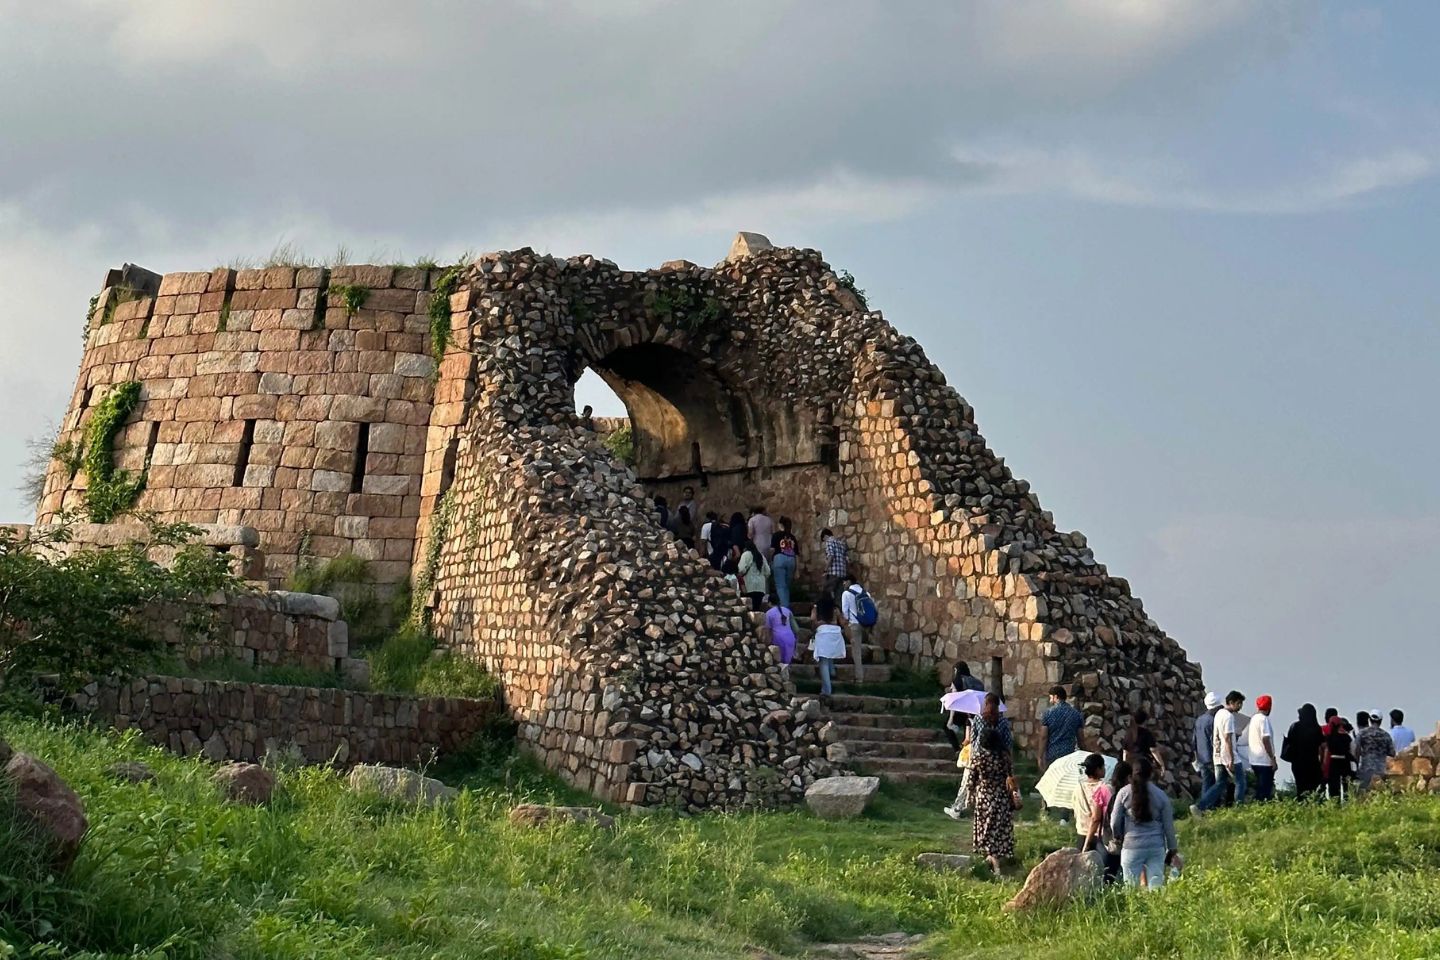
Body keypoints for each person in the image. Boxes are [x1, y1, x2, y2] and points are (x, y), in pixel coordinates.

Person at [1110, 755, 1178, 890]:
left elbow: (1114, 821)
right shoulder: (1161, 795)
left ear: (1132, 774)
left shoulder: (1123, 793)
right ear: (1151, 774)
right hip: (1156, 847)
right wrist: (1172, 848)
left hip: (1131, 847)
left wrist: (1117, 836)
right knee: (1156, 888)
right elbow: (1168, 826)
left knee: (1130, 891)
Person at [966, 692, 1015, 874]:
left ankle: (989, 855)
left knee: (985, 823)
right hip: (1000, 794)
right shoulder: (1002, 724)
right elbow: (1009, 746)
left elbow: (973, 741)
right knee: (999, 824)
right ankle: (998, 854)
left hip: (984, 793)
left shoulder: (979, 720)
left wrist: (970, 794)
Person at [1191, 690, 1246, 816]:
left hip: (1206, 756)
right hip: (1220, 755)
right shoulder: (1221, 717)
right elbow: (1224, 738)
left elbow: (1195, 739)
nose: (1240, 707)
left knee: (1214, 783)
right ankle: (1237, 809)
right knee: (1239, 782)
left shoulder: (1201, 719)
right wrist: (1230, 758)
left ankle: (1202, 807)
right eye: (1239, 703)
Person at [942, 664, 986, 820]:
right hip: (988, 753)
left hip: (975, 754)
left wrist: (961, 747)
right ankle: (978, 808)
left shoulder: (970, 721)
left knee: (967, 782)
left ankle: (957, 808)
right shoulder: (978, 684)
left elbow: (968, 739)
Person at [1097, 760, 1132, 885]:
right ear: (1128, 777)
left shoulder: (1114, 795)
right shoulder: (1124, 796)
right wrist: (1118, 836)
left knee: (1110, 873)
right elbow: (1115, 821)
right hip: (1120, 840)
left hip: (1109, 840)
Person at [1038, 685, 1084, 774]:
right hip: (1069, 753)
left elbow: (1044, 737)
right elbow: (1081, 739)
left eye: (1050, 697)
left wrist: (1040, 756)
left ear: (1056, 697)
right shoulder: (1076, 714)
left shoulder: (1048, 713)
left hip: (1052, 754)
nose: (1050, 700)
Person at [1283, 703, 1325, 800]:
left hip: (1298, 763)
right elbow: (1322, 746)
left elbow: (1290, 741)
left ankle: (1301, 805)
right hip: (1313, 763)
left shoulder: (1295, 726)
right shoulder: (1317, 729)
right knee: (1312, 789)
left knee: (1301, 788)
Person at [1074, 753, 1112, 852]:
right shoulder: (1105, 788)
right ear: (1098, 769)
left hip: (1081, 832)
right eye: (1103, 766)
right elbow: (1097, 818)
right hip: (1099, 835)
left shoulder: (1078, 787)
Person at [808, 598, 845, 697]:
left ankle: (827, 690)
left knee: (823, 661)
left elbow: (812, 619)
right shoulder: (835, 609)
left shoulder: (816, 608)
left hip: (823, 633)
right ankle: (831, 672)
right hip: (835, 633)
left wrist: (815, 626)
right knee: (830, 653)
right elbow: (842, 622)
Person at [839, 576, 871, 685]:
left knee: (856, 652)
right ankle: (859, 675)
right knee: (858, 649)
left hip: (854, 625)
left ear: (849, 581)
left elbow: (845, 613)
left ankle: (859, 678)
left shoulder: (846, 594)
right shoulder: (865, 592)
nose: (843, 584)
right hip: (865, 624)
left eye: (844, 581)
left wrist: (845, 624)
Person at [1353, 710, 1395, 791]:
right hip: (1381, 770)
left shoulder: (1362, 733)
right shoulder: (1386, 735)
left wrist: (1356, 766)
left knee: (1363, 795)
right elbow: (1392, 753)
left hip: (1366, 769)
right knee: (1379, 793)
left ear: (1370, 719)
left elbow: (1356, 750)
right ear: (1381, 721)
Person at [1247, 694, 1277, 801]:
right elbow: (1266, 739)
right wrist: (1272, 758)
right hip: (1264, 760)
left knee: (1259, 786)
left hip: (1254, 759)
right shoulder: (1264, 720)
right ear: (1269, 707)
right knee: (1265, 790)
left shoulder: (1254, 718)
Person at [1123, 710, 1165, 779]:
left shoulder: (1128, 733)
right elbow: (1154, 751)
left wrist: (1125, 765)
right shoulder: (1147, 733)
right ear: (1144, 721)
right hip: (1143, 765)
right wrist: (1162, 765)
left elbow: (1125, 752)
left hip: (1131, 765)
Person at [1195, 692, 1222, 797]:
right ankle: (1205, 807)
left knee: (1206, 784)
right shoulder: (1213, 721)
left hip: (1201, 757)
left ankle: (1205, 808)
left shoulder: (1199, 720)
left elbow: (1194, 740)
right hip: (1211, 757)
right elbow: (1214, 740)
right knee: (1213, 784)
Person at [1322, 712, 1354, 801]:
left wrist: (1324, 765)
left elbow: (1326, 751)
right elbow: (1351, 750)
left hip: (1333, 761)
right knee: (1346, 785)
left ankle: (1335, 803)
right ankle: (1347, 802)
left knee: (1334, 786)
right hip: (1345, 761)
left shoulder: (1329, 737)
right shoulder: (1347, 737)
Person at [736, 539, 771, 611]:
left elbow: (741, 569)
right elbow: (768, 572)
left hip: (749, 586)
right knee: (757, 608)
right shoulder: (761, 556)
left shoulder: (746, 555)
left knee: (750, 609)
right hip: (760, 587)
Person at [764, 595, 797, 671]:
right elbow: (795, 627)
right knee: (787, 663)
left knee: (779, 663)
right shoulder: (787, 611)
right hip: (790, 638)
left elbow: (768, 629)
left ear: (769, 603)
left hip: (778, 639)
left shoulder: (769, 613)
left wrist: (767, 642)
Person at [771, 522, 798, 609]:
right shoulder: (792, 537)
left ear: (780, 525)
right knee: (787, 585)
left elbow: (772, 549)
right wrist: (797, 569)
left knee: (780, 585)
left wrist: (770, 560)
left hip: (779, 559)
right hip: (791, 560)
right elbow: (797, 554)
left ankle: (785, 607)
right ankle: (785, 604)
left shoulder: (776, 535)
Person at [820, 528, 848, 604]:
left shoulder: (829, 542)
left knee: (826, 592)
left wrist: (825, 570)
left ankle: (826, 612)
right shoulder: (841, 543)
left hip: (834, 572)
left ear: (825, 536)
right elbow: (846, 558)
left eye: (823, 540)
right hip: (842, 572)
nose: (824, 542)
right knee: (839, 595)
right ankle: (839, 613)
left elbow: (831, 556)